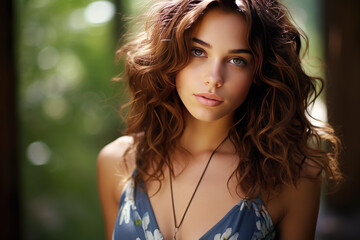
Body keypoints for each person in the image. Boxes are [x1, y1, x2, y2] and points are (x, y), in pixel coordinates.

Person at [97, 0, 342, 239]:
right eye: (198, 51)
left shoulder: (292, 176)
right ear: (170, 55)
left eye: (237, 60)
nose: (214, 78)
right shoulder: (118, 162)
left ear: (258, 73)